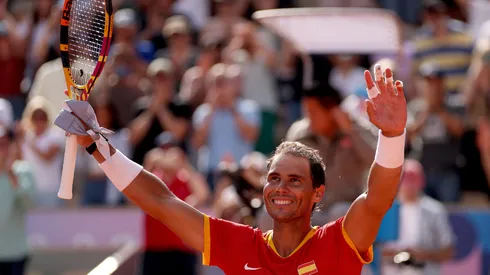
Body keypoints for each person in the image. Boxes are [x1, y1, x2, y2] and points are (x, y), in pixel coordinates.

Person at [56, 64, 407, 274]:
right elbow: (161, 201)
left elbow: (377, 198)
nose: (280, 187)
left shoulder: (339, 244)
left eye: (295, 180)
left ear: (318, 193)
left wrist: (392, 135)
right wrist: (98, 148)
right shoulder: (241, 245)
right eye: (274, 178)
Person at [381, 159, 455, 275]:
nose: (409, 185)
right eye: (406, 180)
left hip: (423, 270)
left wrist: (422, 255)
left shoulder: (435, 211)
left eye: (413, 180)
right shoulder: (385, 209)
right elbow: (371, 250)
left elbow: (449, 251)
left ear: (421, 182)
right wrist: (395, 253)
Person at [0, 125, 36, 275]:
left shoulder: (23, 171)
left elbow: (29, 204)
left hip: (16, 253)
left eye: (3, 144)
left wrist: (13, 177)